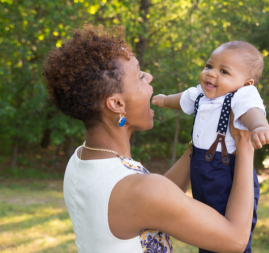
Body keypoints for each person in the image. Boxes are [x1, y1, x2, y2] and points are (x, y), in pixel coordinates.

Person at [42, 24, 256, 253]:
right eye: (140, 76)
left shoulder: (80, 161)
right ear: (117, 104)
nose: (150, 77)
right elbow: (235, 241)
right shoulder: (141, 192)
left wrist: (207, 133)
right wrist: (244, 143)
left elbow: (159, 199)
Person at [151, 41, 269, 252]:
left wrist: (259, 126)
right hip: (201, 168)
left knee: (229, 232)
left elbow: (252, 112)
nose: (211, 74)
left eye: (224, 71)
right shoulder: (200, 94)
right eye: (209, 66)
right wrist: (163, 101)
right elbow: (182, 99)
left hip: (227, 172)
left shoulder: (241, 96)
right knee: (209, 229)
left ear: (247, 83)